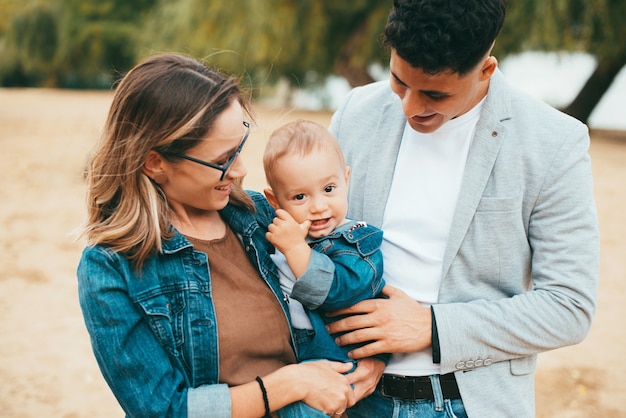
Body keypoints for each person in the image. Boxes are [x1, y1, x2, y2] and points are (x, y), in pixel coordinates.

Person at [325, 1, 600, 417]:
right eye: (399, 82)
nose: (410, 108)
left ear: (486, 70)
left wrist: (431, 328)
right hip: (350, 393)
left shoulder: (555, 143)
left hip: (467, 403)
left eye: (435, 94)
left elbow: (568, 307)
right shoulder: (354, 112)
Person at [76, 53, 356, 418]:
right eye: (223, 159)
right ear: (154, 162)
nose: (240, 169)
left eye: (239, 147)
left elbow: (343, 291)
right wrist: (290, 384)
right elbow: (162, 410)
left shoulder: (263, 218)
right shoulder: (110, 268)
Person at [262, 119, 386, 366]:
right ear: (274, 201)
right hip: (290, 357)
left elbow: (339, 292)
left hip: (337, 358)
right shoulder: (276, 233)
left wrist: (296, 249)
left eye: (329, 188)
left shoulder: (357, 240)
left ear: (346, 179)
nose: (318, 207)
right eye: (300, 196)